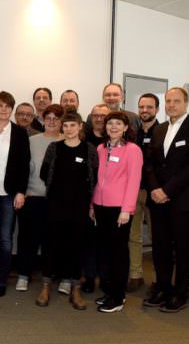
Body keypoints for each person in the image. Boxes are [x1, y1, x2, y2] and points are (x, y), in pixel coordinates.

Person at [143, 87, 189, 313]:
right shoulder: (160, 129)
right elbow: (150, 163)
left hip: (183, 200)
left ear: (186, 103)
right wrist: (154, 189)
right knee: (160, 248)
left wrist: (167, 190)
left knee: (181, 249)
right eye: (168, 101)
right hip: (158, 199)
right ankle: (162, 287)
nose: (171, 105)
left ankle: (179, 293)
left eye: (176, 101)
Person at [39, 110, 98, 310]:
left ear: (80, 126)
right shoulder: (54, 148)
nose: (69, 129)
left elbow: (94, 178)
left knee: (76, 247)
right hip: (55, 205)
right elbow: (44, 173)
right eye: (65, 126)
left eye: (73, 125)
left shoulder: (89, 149)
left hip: (79, 208)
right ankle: (46, 286)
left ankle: (75, 289)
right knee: (50, 246)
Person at [0, 91, 30, 298]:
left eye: (7, 107)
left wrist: (21, 192)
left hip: (9, 194)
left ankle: (1, 280)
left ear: (11, 109)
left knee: (5, 239)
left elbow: (24, 165)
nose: (3, 109)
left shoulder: (19, 133)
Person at [92, 111, 143, 313]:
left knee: (118, 253)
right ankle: (109, 291)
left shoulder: (133, 150)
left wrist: (127, 209)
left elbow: (133, 182)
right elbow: (96, 180)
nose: (113, 127)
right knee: (105, 252)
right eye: (110, 123)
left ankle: (118, 297)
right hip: (100, 206)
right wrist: (91, 206)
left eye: (118, 124)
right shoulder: (100, 148)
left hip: (119, 209)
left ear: (125, 127)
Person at [16, 104, 63, 293]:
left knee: (52, 241)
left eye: (56, 119)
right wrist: (22, 190)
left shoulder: (67, 141)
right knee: (27, 239)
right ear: (43, 120)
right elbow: (23, 167)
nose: (51, 122)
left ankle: (49, 277)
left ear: (62, 122)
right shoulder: (32, 140)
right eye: (48, 118)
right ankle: (23, 275)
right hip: (32, 197)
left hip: (56, 201)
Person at [127, 93, 160, 293]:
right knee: (134, 236)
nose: (145, 110)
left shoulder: (163, 132)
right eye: (141, 107)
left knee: (158, 237)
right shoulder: (132, 133)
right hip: (134, 191)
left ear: (157, 109)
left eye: (149, 107)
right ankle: (135, 275)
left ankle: (158, 278)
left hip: (155, 192)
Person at [81, 103, 110, 293]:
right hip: (87, 197)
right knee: (89, 240)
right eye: (95, 115)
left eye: (102, 115)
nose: (98, 118)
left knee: (106, 240)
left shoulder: (115, 140)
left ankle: (106, 277)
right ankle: (90, 277)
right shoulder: (84, 139)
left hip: (109, 198)